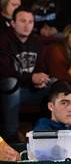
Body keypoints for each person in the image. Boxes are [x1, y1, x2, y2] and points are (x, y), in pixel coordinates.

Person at [0, 7, 49, 142]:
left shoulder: (36, 42)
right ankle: (11, 136)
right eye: (22, 21)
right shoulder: (3, 41)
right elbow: (4, 72)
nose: (27, 25)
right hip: (8, 92)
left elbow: (40, 68)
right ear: (13, 23)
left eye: (30, 22)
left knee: (55, 85)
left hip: (29, 91)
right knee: (11, 82)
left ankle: (51, 132)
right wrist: (31, 78)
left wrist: (42, 78)